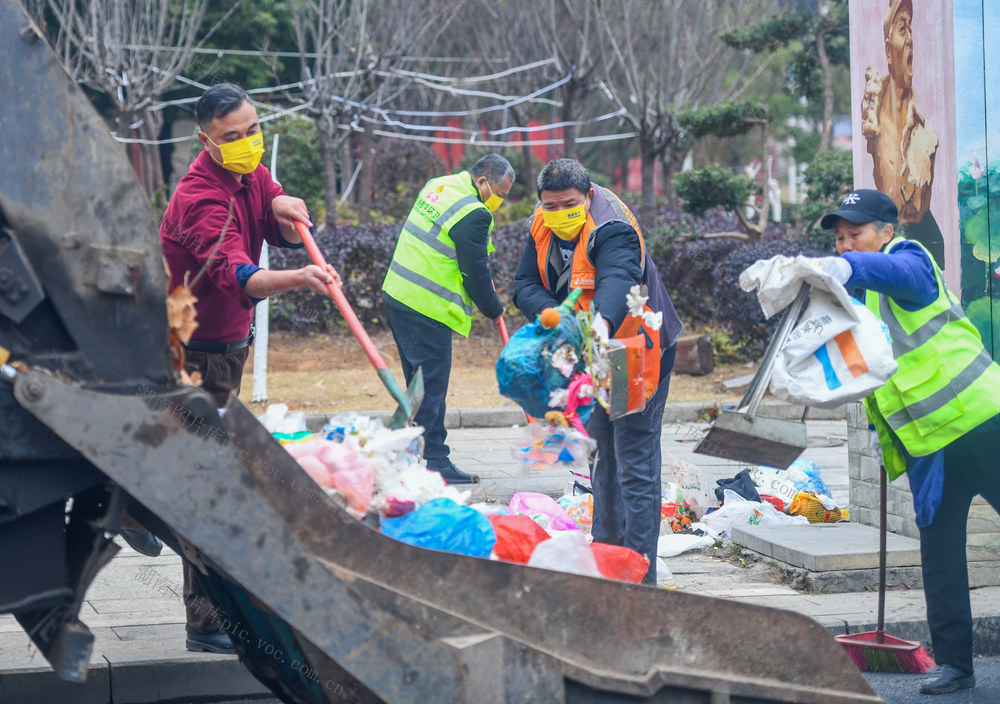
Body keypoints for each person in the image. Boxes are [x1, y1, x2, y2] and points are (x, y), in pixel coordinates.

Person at [159, 82, 339, 654]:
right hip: (191, 354)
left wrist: (286, 212)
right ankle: (206, 620)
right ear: (206, 140)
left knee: (211, 476)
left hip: (229, 347)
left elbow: (275, 211)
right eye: (233, 137)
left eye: (253, 129)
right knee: (213, 487)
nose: (247, 143)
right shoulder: (198, 199)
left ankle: (142, 510)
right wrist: (303, 278)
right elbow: (240, 276)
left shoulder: (251, 170)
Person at [819, 188, 1000, 695]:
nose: (847, 246)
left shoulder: (911, 260)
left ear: (886, 232)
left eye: (856, 234)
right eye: (839, 240)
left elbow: (898, 277)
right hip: (929, 444)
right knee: (940, 555)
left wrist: (849, 269)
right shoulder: (861, 293)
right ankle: (956, 666)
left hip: (981, 424)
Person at [512, 158, 683, 584]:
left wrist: (600, 323)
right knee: (601, 456)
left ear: (588, 197)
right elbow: (524, 285)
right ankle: (608, 564)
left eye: (568, 204)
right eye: (549, 205)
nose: (558, 214)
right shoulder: (541, 224)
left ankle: (640, 577)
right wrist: (557, 315)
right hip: (589, 353)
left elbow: (618, 278)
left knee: (635, 460)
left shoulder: (613, 227)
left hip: (634, 351)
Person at [382, 154, 514, 484]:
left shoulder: (438, 185)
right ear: (483, 181)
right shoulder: (474, 211)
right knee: (431, 390)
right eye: (499, 192)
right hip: (426, 307)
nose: (499, 201)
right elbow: (475, 274)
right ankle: (433, 463)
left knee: (418, 386)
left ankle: (409, 455)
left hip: (399, 295)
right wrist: (495, 308)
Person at [861, 0, 943, 266]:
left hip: (921, 237)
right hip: (887, 236)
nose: (910, 39)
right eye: (902, 29)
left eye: (910, 30)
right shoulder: (874, 101)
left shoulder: (923, 131)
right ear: (888, 49)